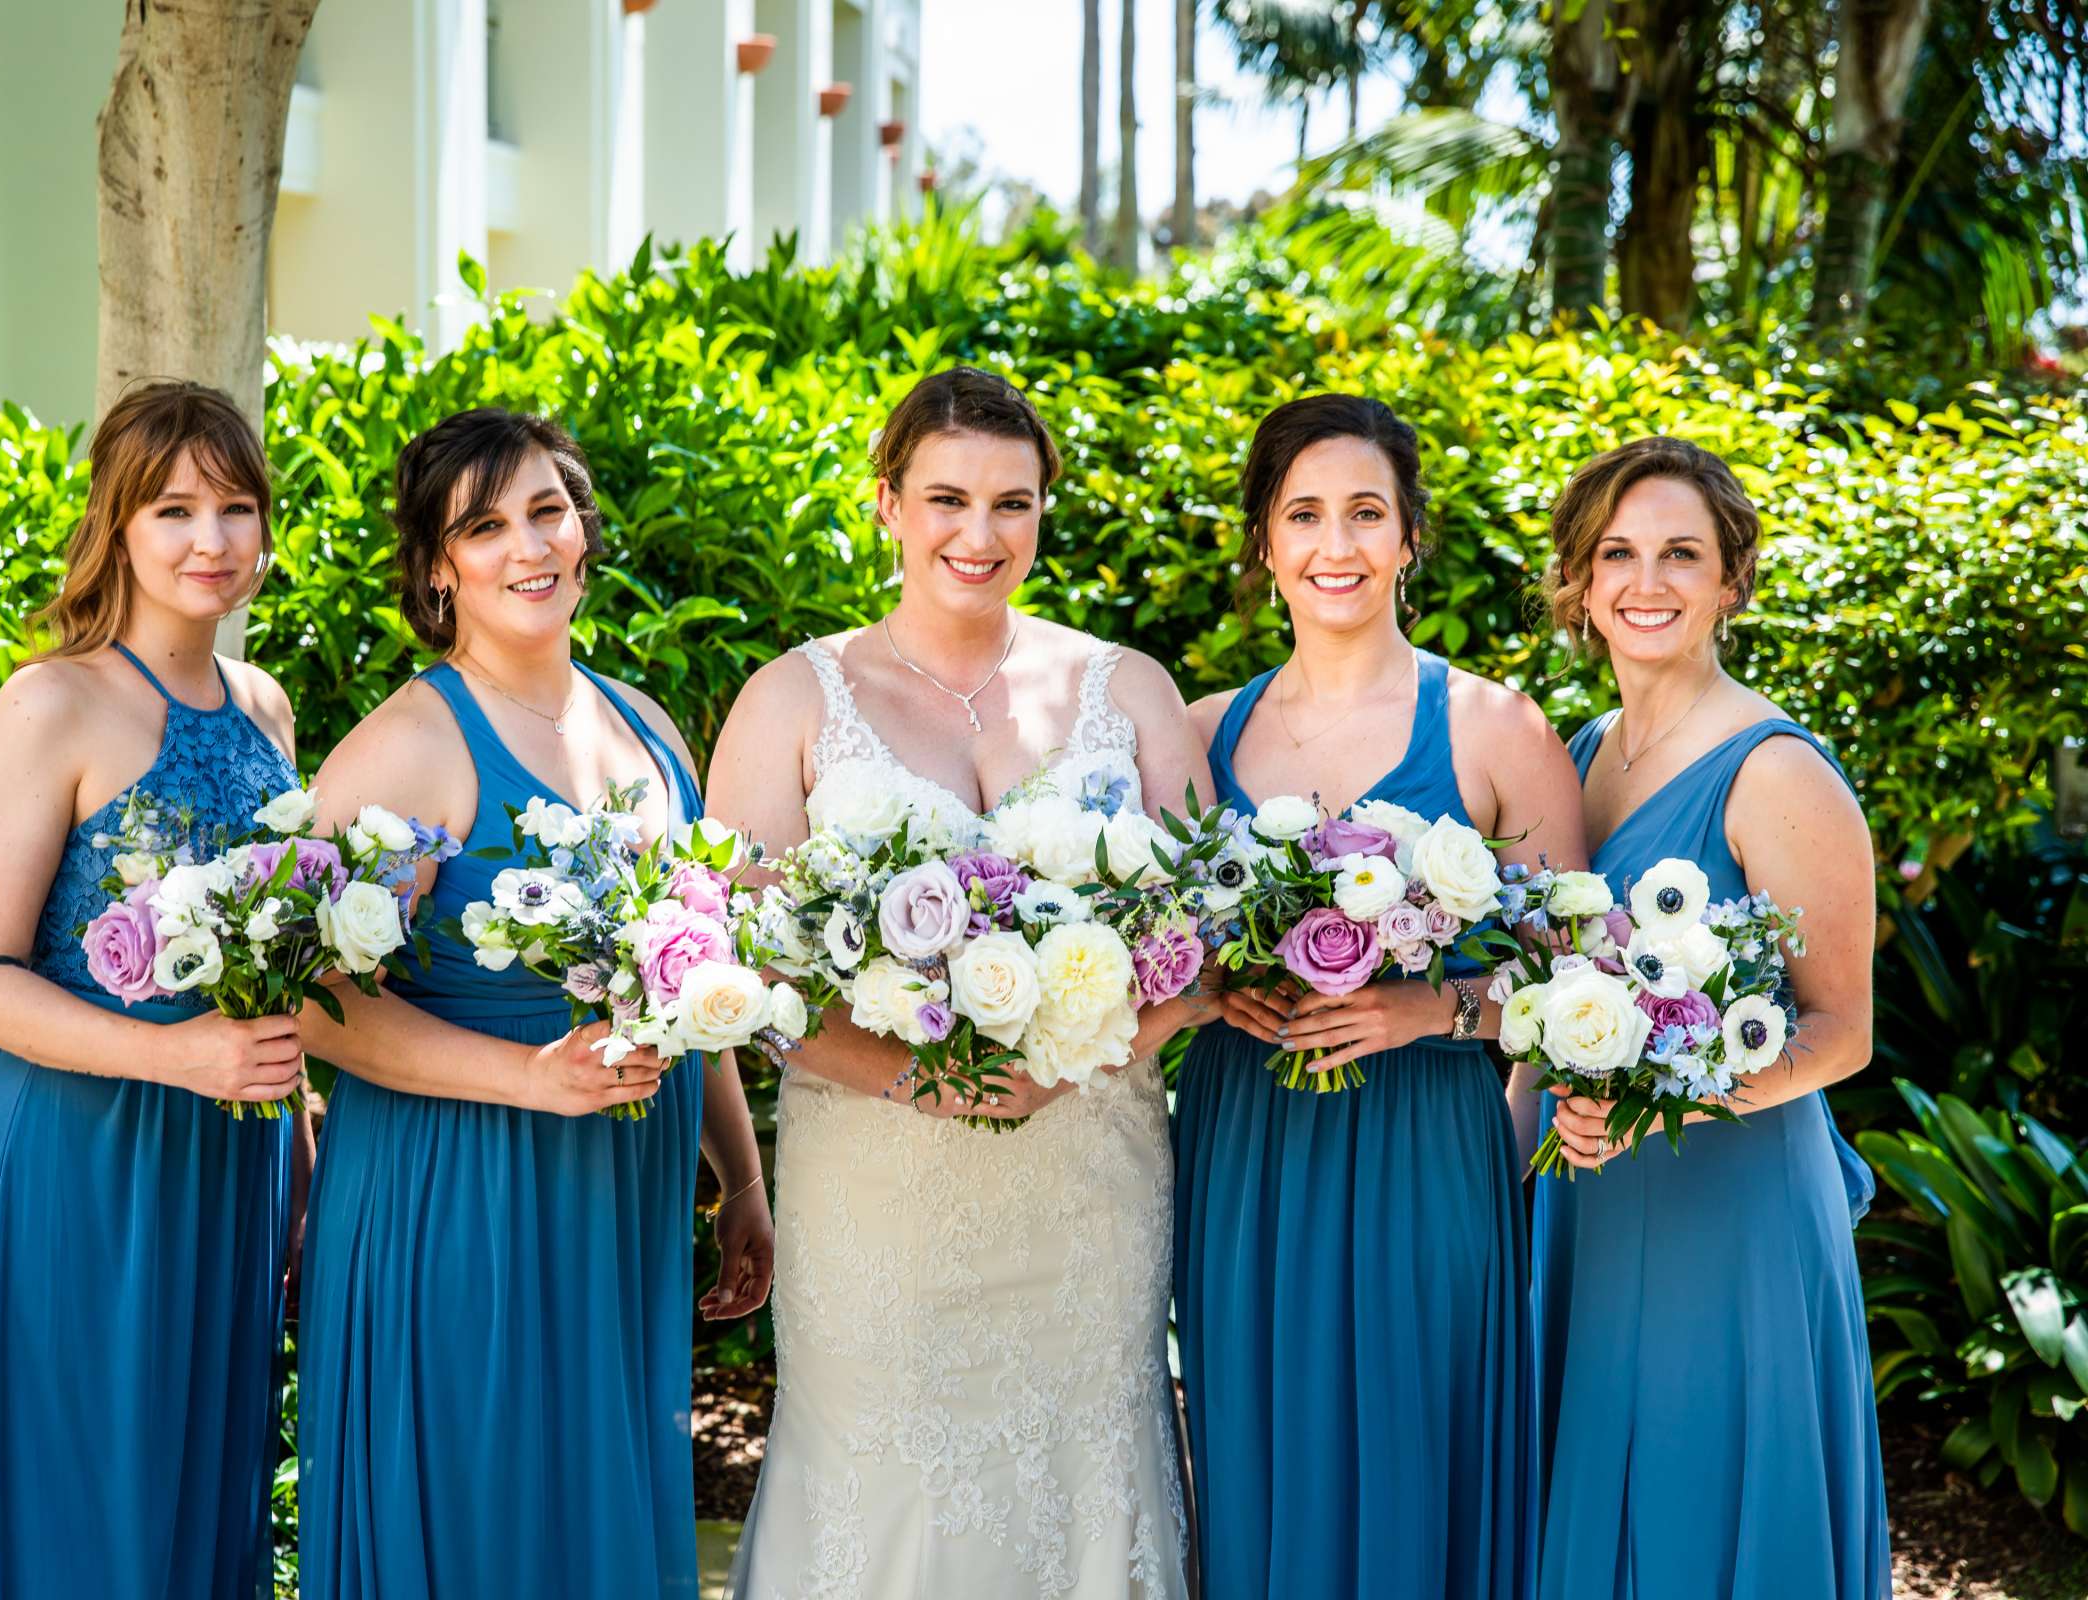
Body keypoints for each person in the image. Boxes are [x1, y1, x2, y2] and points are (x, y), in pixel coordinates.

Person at [711, 367, 1214, 1598]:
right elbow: (736, 972)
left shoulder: (1126, 689)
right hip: (879, 1187)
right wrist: (932, 1084)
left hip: (1090, 1176)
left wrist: (1072, 1061)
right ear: (886, 504)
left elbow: (1208, 945)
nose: (979, 536)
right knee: (886, 1478)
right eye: (945, 498)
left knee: (1086, 1474)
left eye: (1012, 502)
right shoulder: (794, 696)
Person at [291, 407, 771, 1599]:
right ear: (438, 565)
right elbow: (311, 1004)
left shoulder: (646, 729)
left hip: (617, 1202)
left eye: (548, 510)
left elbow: (686, 976)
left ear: (584, 527)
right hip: (458, 1197)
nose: (528, 547)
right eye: (486, 525)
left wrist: (743, 1180)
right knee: (481, 1522)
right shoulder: (410, 750)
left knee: (588, 1529)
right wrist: (526, 1077)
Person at [1174, 392, 1586, 1599]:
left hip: (1430, 1154)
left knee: (1421, 1457)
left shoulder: (1498, 728)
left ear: (1412, 536)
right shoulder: (1200, 736)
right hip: (1249, 1150)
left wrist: (1434, 1011)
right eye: (1303, 514)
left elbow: (1578, 981)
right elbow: (1153, 957)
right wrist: (1211, 987)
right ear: (1262, 542)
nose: (1335, 546)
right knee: (1261, 1451)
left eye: (1366, 512)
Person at [0, 380, 303, 1598]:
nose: (211, 541)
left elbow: (277, 969)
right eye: (174, 509)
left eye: (238, 508)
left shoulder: (266, 708)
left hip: (228, 1157)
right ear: (116, 522)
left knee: (200, 1486)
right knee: (73, 1489)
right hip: (79, 1156)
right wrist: (182, 1057)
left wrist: (299, 1170)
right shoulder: (49, 704)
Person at [1529, 435, 1889, 1599]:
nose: (1648, 581)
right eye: (1618, 552)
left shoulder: (1775, 769)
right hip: (1589, 1191)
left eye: (1682, 553)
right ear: (1581, 580)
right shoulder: (1579, 757)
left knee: (1713, 1490)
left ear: (1731, 578)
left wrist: (1664, 1102)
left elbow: (1840, 1029)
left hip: (1729, 1204)